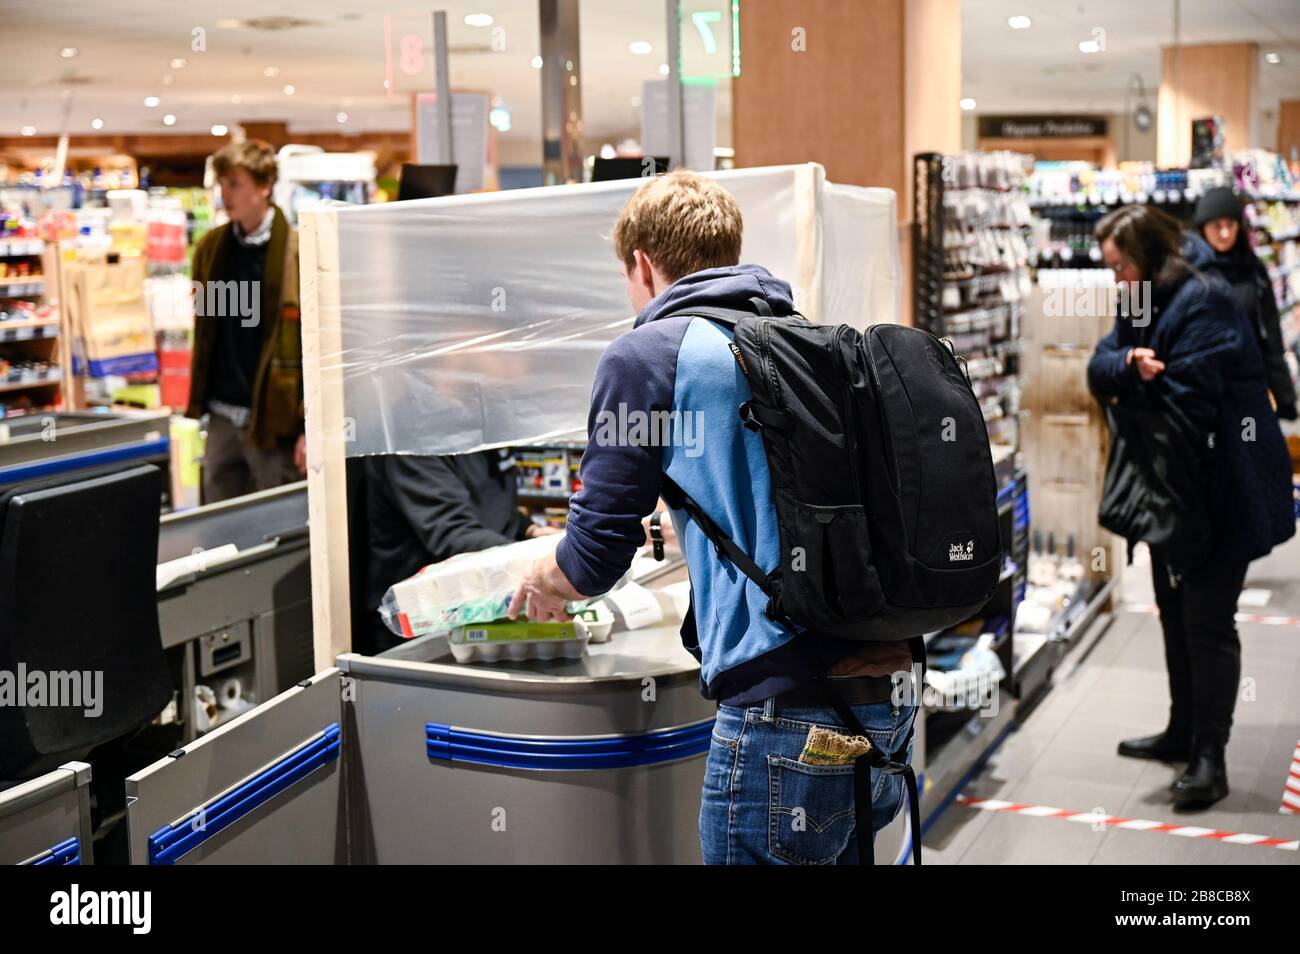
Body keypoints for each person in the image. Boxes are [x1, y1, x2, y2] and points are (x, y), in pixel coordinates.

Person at [508, 170, 917, 864]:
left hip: (782, 713)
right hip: (884, 696)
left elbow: (595, 556)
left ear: (641, 264)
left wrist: (544, 577)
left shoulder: (647, 356)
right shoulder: (800, 335)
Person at [1088, 204, 1294, 809]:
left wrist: (1130, 398)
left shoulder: (1205, 299)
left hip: (1222, 489)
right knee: (1174, 613)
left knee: (1206, 621)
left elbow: (1187, 417)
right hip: (1170, 490)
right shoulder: (1143, 296)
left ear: (1148, 256)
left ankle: (1211, 759)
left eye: (1119, 266)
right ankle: (1182, 730)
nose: (1115, 279)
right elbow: (1098, 365)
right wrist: (1128, 366)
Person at [186, 140, 306, 503]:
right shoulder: (210, 248)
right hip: (221, 416)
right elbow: (208, 332)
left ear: (264, 186)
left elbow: (313, 346)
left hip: (273, 420)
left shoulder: (297, 252)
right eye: (221, 184)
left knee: (280, 527)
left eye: (235, 184)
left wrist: (308, 428)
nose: (225, 194)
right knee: (218, 527)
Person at [361, 451, 558, 654]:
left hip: (482, 610)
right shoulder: (409, 450)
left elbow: (493, 508)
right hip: (422, 624)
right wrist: (549, 560)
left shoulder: (482, 438)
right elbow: (453, 535)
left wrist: (529, 530)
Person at [1194, 186, 1297, 420]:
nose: (1224, 233)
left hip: (1246, 389)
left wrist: (1285, 399)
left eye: (1230, 225)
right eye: (1216, 226)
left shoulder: (1254, 271)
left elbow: (1271, 337)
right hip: (1202, 391)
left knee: (1248, 446)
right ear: (1202, 228)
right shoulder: (1189, 273)